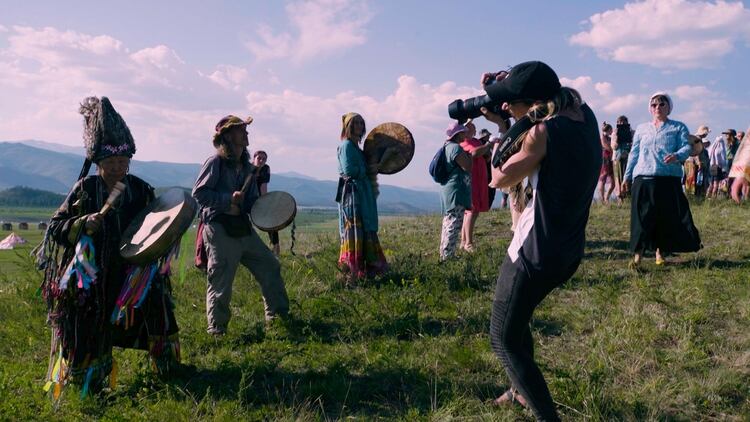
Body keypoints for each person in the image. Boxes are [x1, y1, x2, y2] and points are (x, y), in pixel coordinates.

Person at [39, 97, 180, 398]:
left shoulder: (140, 189)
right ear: (99, 163)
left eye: (122, 162)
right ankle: (89, 385)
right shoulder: (85, 190)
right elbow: (55, 227)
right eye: (111, 163)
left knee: (158, 305)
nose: (118, 168)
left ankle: (167, 369)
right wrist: (82, 223)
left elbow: (159, 224)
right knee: (88, 318)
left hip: (133, 273)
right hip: (91, 274)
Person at [483, 61, 601, 420]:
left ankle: (547, 416)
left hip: (535, 251)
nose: (505, 106)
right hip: (567, 249)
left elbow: (497, 178)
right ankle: (520, 390)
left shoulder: (541, 134)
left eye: (510, 102)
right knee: (519, 322)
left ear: (532, 105)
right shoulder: (586, 115)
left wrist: (505, 129)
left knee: (503, 339)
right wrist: (510, 102)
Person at [193, 115, 289, 336]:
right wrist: (228, 198)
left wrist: (266, 209)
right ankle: (217, 331)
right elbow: (199, 193)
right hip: (219, 228)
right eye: (241, 130)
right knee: (221, 279)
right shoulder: (215, 162)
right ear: (227, 136)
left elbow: (251, 202)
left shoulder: (246, 168)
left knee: (270, 265)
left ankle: (279, 318)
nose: (246, 134)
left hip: (242, 227)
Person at [621, 93, 701, 266]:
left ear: (668, 107)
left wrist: (677, 156)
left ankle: (660, 253)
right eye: (654, 104)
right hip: (643, 177)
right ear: (650, 108)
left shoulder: (678, 127)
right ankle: (637, 258)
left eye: (661, 104)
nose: (657, 107)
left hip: (667, 179)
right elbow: (634, 154)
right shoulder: (642, 129)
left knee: (665, 217)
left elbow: (687, 146)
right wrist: (627, 176)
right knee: (641, 218)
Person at [335, 112, 388, 284]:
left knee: (364, 228)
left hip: (361, 191)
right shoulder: (346, 146)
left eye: (361, 123)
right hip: (352, 194)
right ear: (348, 126)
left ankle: (367, 270)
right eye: (355, 123)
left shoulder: (355, 147)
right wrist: (367, 170)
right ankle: (353, 271)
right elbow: (349, 170)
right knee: (355, 230)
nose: (359, 126)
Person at [439, 122, 473, 261]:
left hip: (448, 188)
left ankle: (445, 252)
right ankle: (448, 256)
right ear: (458, 134)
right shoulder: (456, 148)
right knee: (454, 222)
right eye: (463, 132)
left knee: (448, 221)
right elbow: (467, 167)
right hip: (456, 190)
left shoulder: (446, 147)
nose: (466, 135)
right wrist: (470, 156)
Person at [460, 121, 494, 252]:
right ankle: (468, 243)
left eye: (473, 127)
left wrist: (487, 152)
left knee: (472, 211)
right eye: (470, 127)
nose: (473, 129)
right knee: (471, 211)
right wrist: (489, 144)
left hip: (480, 178)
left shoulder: (476, 141)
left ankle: (464, 241)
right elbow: (474, 153)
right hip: (471, 180)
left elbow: (484, 156)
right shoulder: (463, 142)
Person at [252, 150, 280, 257]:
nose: (261, 160)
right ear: (253, 158)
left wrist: (265, 202)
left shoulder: (265, 169)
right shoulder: (247, 168)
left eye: (264, 159)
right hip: (246, 198)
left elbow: (263, 186)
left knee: (271, 222)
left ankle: (276, 248)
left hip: (259, 199)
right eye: (259, 158)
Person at [611, 115, 633, 202]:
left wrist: (629, 138)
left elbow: (634, 145)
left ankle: (628, 196)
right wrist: (616, 137)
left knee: (627, 177)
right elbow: (614, 147)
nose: (622, 124)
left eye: (624, 122)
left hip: (628, 157)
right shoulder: (614, 133)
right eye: (619, 122)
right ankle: (620, 198)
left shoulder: (632, 132)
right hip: (617, 159)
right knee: (618, 177)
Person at [478, 128, 497, 207]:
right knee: (489, 192)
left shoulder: (481, 145)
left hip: (488, 172)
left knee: (490, 191)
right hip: (486, 172)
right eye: (488, 135)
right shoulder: (484, 146)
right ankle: (486, 206)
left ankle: (486, 206)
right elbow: (487, 159)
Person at [730, 126, 750, 203]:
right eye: (738, 136)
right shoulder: (738, 145)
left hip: (744, 165)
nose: (739, 138)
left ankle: (744, 201)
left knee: (744, 184)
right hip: (741, 165)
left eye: (740, 136)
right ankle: (743, 202)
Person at [706, 131, 728, 198]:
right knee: (716, 184)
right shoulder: (720, 149)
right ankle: (713, 198)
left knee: (711, 183)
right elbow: (723, 160)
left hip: (711, 166)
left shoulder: (712, 148)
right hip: (717, 167)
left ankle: (707, 196)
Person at [598, 122, 616, 204]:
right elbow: (607, 147)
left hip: (611, 159)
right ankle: (602, 200)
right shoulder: (603, 137)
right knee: (602, 179)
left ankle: (606, 197)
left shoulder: (609, 138)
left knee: (613, 182)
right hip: (604, 160)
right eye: (611, 130)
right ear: (609, 130)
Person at [694, 125, 711, 198]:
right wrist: (699, 162)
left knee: (699, 180)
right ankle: (698, 197)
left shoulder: (698, 139)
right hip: (699, 164)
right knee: (699, 181)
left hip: (701, 163)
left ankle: (698, 196)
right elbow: (696, 152)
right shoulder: (697, 139)